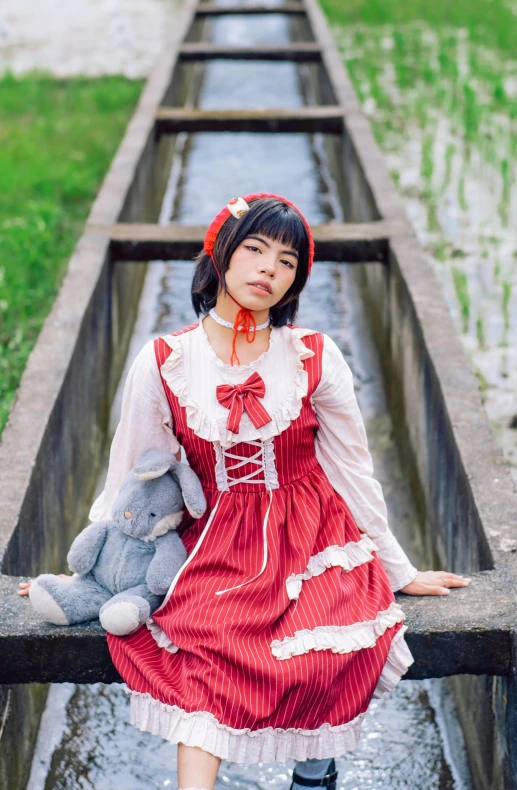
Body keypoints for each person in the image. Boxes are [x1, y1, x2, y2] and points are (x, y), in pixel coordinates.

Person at [19, 193, 470, 790]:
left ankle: (313, 775)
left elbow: (353, 470)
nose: (268, 270)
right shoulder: (164, 360)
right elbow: (132, 471)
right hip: (212, 539)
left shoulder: (313, 355)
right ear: (220, 256)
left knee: (321, 646)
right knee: (206, 647)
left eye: (287, 261)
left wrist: (399, 569)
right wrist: (92, 570)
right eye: (255, 250)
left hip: (308, 531)